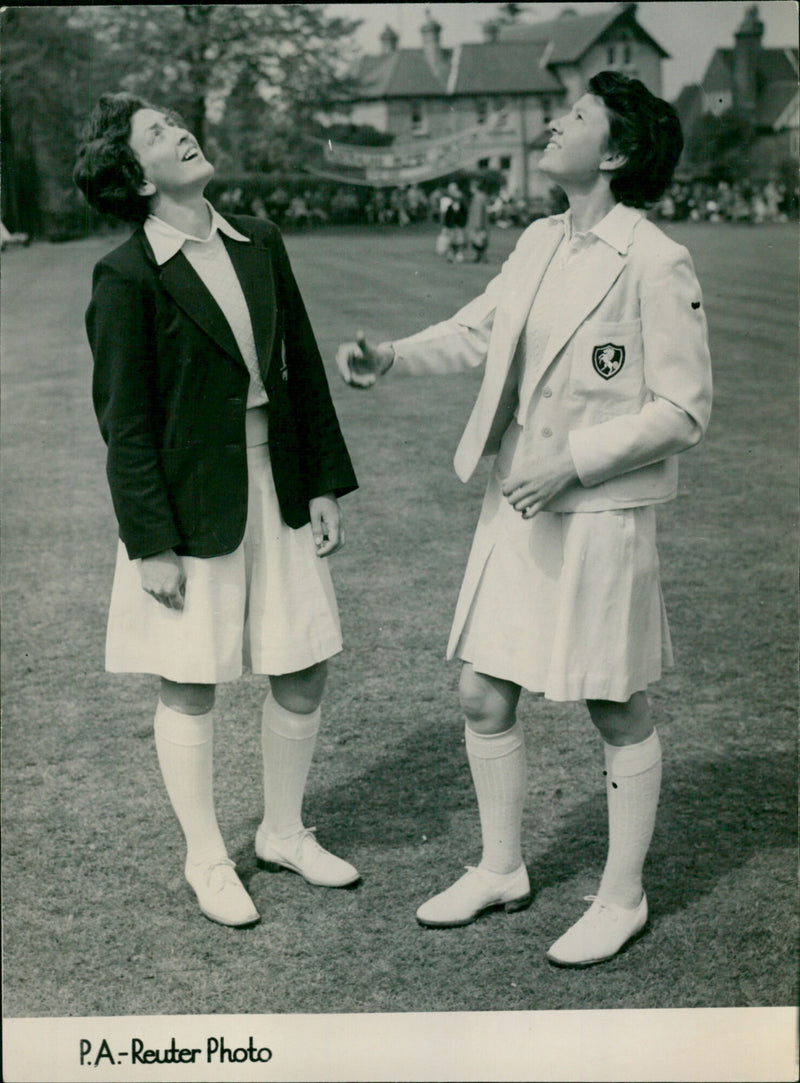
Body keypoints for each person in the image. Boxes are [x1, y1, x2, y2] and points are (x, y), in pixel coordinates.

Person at [336, 72, 712, 967]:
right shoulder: (541, 237)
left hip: (599, 512)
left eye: (575, 116)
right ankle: (502, 866)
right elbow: (480, 329)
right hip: (518, 505)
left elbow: (685, 407)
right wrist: (390, 355)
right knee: (481, 691)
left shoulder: (655, 259)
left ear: (614, 153)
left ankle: (622, 895)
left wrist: (571, 461)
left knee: (614, 701)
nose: (554, 122)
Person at [74, 92, 359, 928]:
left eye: (174, 121)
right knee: (191, 679)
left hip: (277, 483)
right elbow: (122, 422)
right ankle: (206, 854)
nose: (181, 132)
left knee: (303, 663)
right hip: (188, 506)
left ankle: (282, 830)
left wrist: (320, 484)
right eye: (158, 132)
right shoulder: (125, 275)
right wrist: (150, 543)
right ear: (133, 175)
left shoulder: (259, 241)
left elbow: (299, 366)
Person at [466, 178, 490, 262]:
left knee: (479, 240)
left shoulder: (478, 198)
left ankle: (481, 257)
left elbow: (478, 212)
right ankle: (480, 257)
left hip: (479, 223)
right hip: (482, 223)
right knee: (481, 240)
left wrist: (477, 225)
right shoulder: (481, 196)